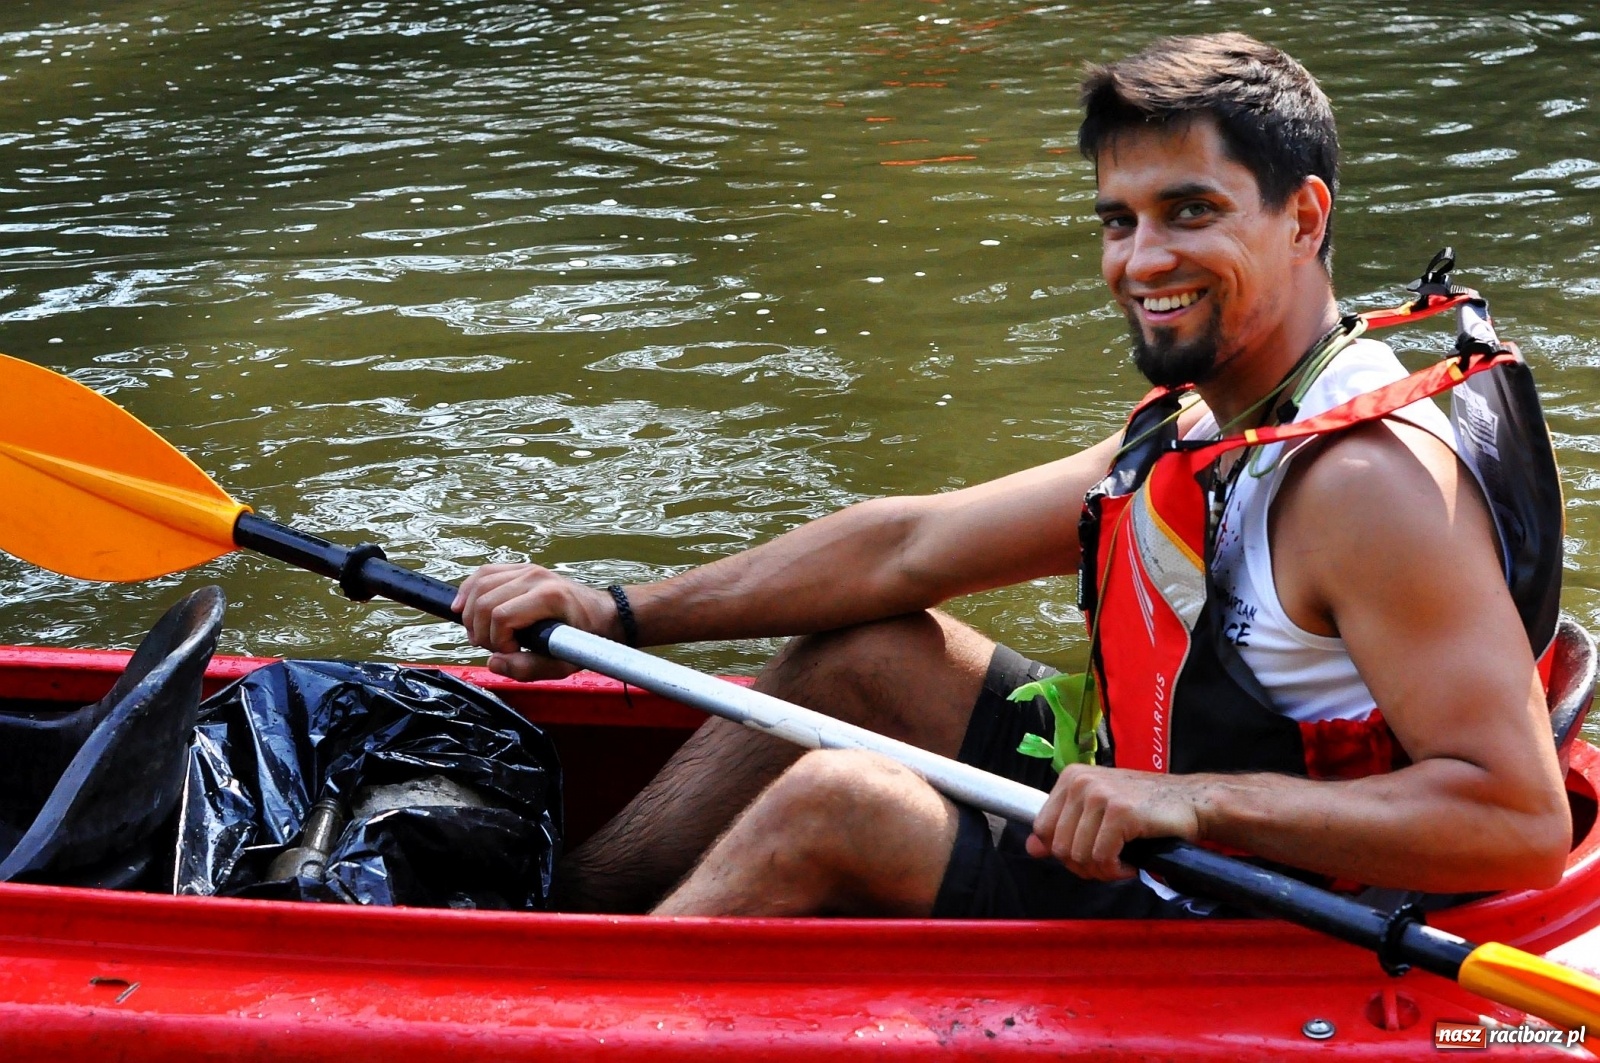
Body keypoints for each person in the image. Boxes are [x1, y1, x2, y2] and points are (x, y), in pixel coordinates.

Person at [453, 32, 1571, 919]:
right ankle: (567, 910)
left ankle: (574, 1008)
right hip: (1145, 796)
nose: (1142, 261)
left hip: (1253, 900)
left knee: (843, 803)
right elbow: (908, 546)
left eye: (1190, 212)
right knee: (868, 650)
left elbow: (1516, 821)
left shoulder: (1364, 483)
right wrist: (616, 611)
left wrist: (1184, 800)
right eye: (1118, 221)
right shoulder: (1216, 416)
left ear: (1303, 217)